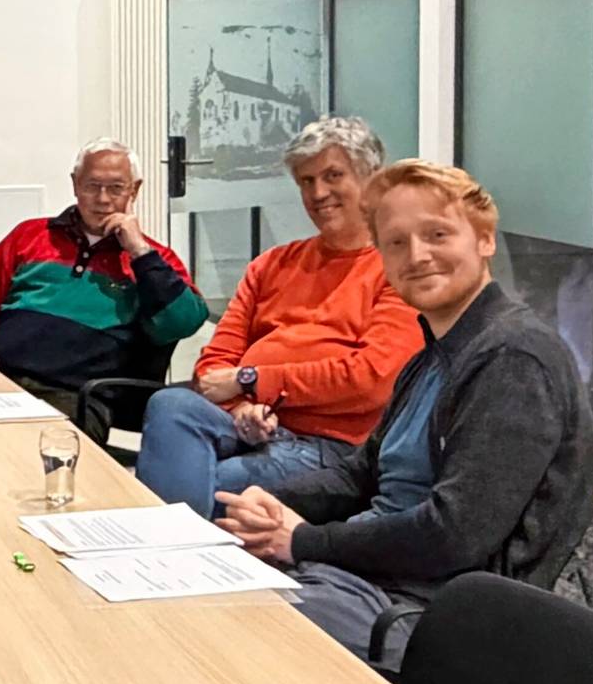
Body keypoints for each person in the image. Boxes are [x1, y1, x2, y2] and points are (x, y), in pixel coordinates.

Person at [216, 161, 593, 669]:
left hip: (436, 611)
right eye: (396, 243)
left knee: (230, 635)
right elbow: (363, 471)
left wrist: (304, 540)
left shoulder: (513, 357)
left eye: (437, 234)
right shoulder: (430, 357)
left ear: (484, 240)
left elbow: (454, 534)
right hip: (377, 579)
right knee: (204, 583)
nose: (417, 256)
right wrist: (271, 501)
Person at [136, 117, 422, 517]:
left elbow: (371, 380)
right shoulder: (272, 264)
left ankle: (163, 562)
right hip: (249, 425)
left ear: (372, 180)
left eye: (332, 175)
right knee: (170, 405)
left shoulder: (398, 270)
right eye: (306, 181)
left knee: (203, 484)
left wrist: (252, 380)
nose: (318, 193)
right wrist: (242, 409)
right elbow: (214, 366)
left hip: (330, 445)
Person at [0, 139, 208, 415]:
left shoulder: (154, 260)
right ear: (75, 185)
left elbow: (183, 322)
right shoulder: (30, 235)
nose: (103, 199)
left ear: (135, 189)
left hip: (74, 395)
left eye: (116, 188)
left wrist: (139, 252)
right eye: (92, 186)